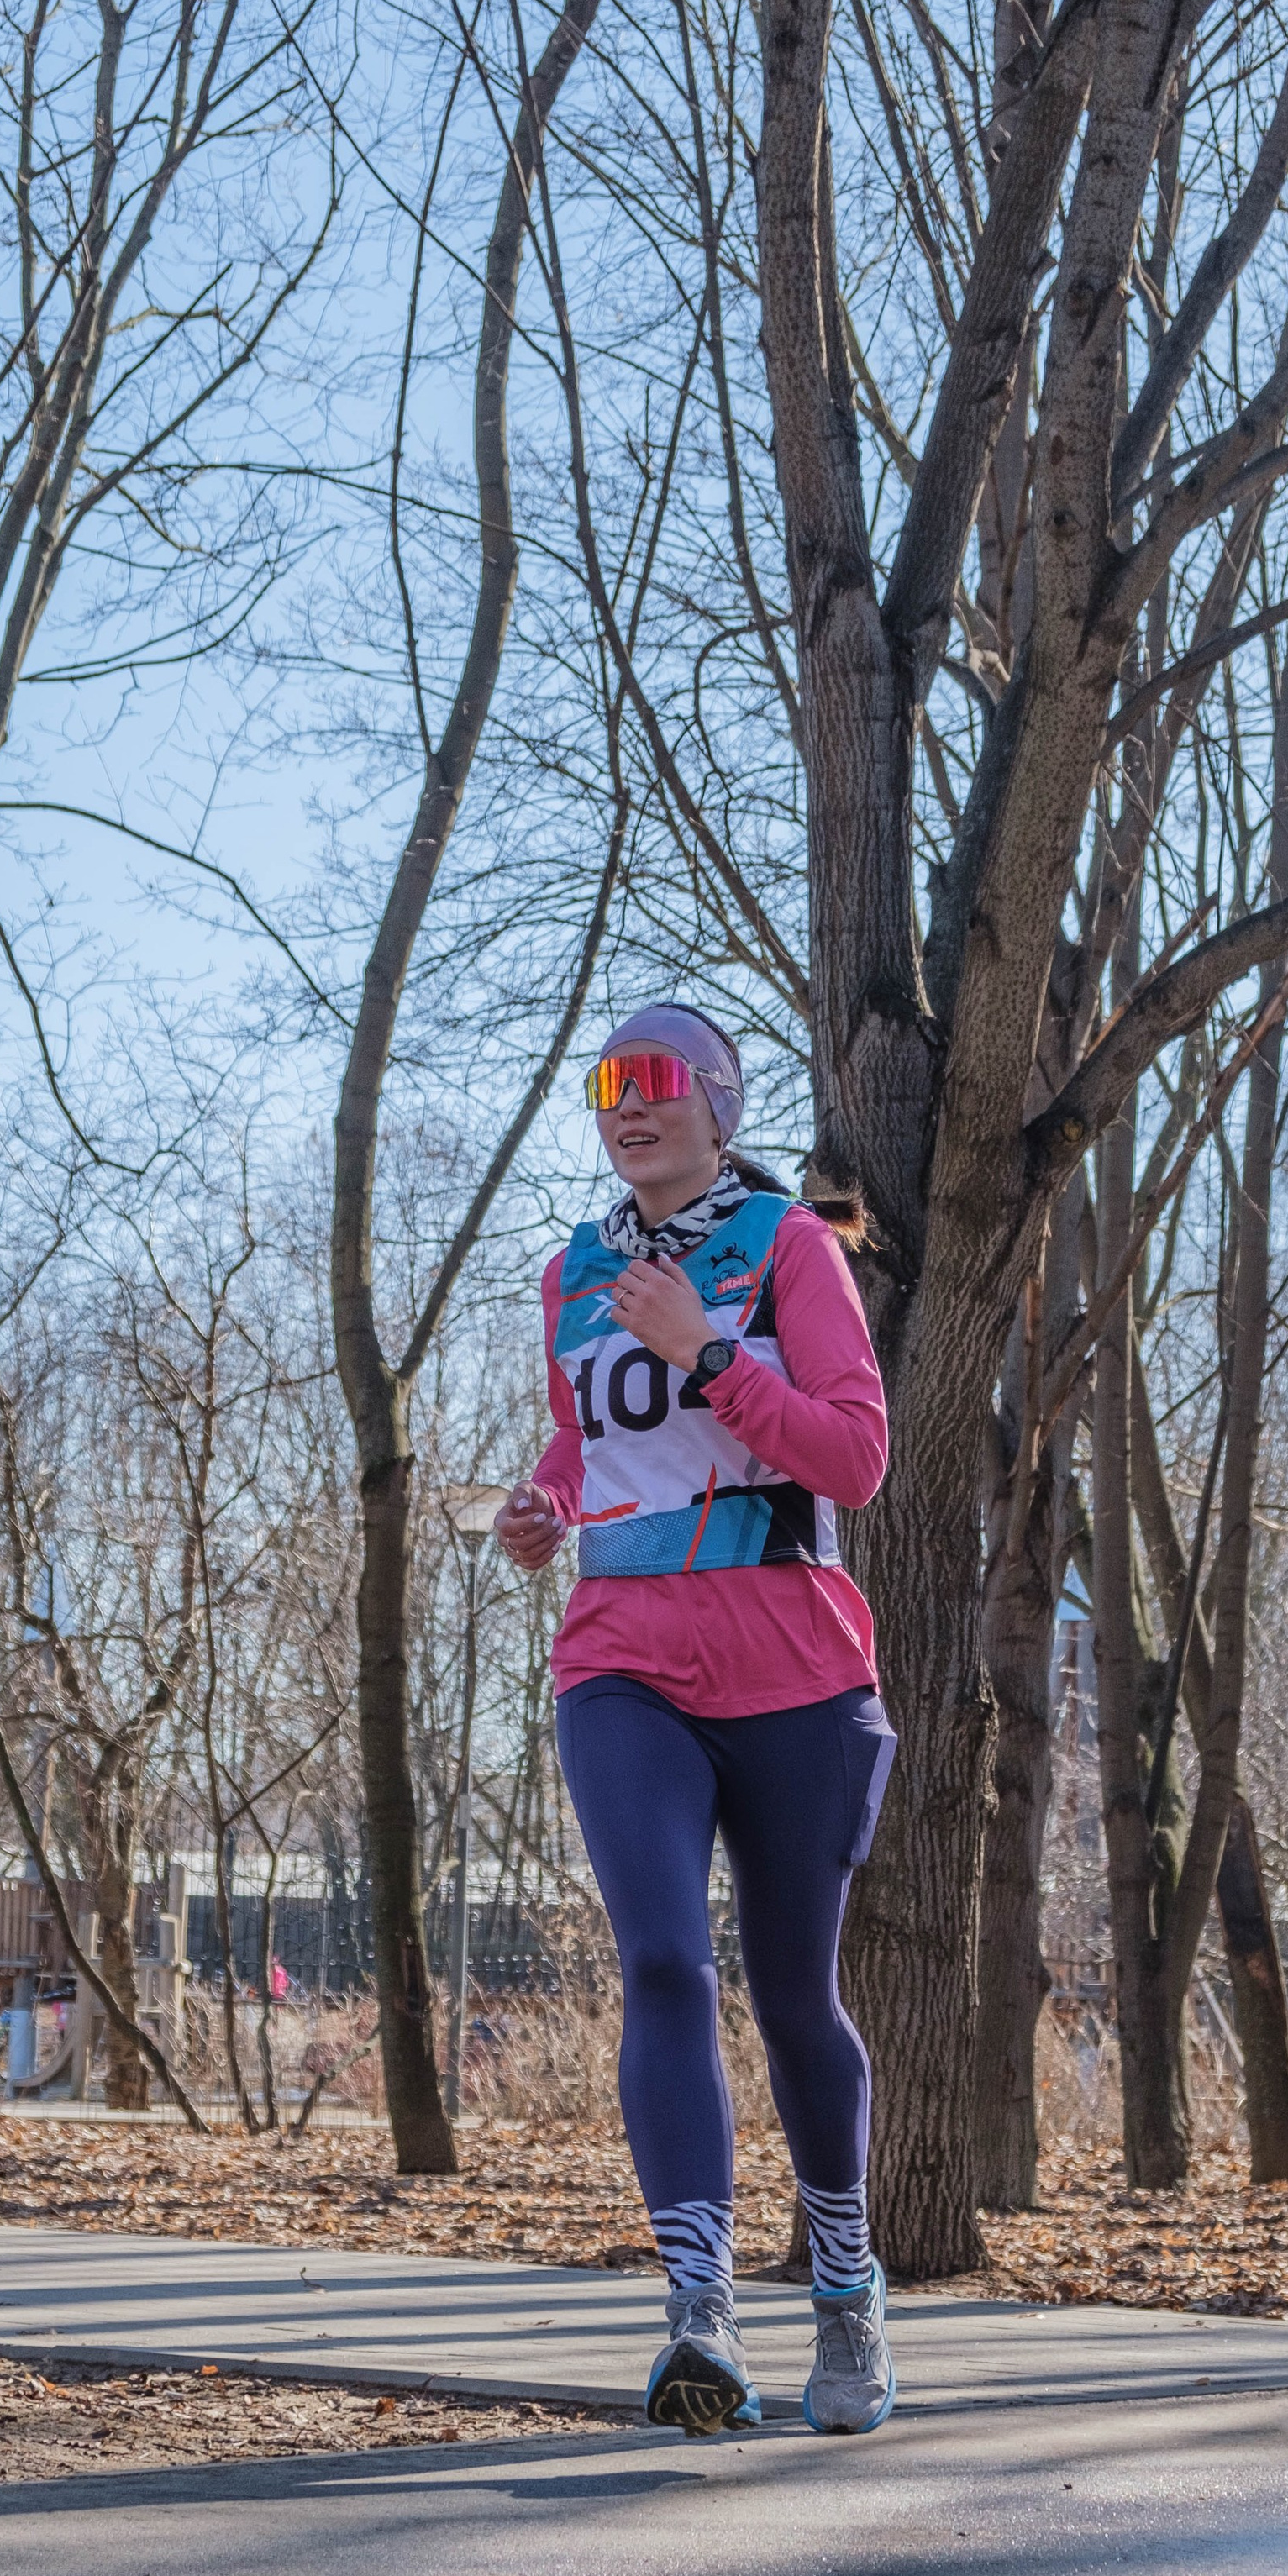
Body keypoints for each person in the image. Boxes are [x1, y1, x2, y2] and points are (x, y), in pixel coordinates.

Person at [497, 1003, 897, 2436]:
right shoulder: (573, 1272)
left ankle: (846, 2292)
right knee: (664, 1960)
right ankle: (700, 2311)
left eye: (660, 1081)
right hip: (622, 1661)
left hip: (794, 1660)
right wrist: (544, 1505)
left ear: (720, 1102)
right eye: (609, 1083)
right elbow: (584, 1438)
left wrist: (711, 1353)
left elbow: (853, 1457)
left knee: (795, 1999)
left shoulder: (789, 1247)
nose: (630, 1103)